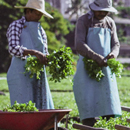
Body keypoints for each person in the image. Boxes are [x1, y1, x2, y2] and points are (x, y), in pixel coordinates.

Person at [73, 0, 122, 127]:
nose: (102, 13)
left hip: (105, 69)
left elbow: (116, 44)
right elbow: (79, 44)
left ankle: (107, 126)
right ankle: (88, 126)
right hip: (86, 69)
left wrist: (113, 54)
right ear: (93, 8)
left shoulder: (109, 22)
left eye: (105, 11)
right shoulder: (84, 21)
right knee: (89, 103)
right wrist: (95, 57)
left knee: (108, 103)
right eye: (100, 10)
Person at [6, 0, 54, 109]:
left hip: (38, 75)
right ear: (28, 11)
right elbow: (12, 48)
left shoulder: (41, 30)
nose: (40, 17)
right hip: (19, 74)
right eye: (37, 14)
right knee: (23, 107)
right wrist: (34, 53)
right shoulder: (16, 25)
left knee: (40, 105)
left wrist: (48, 59)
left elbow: (45, 51)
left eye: (41, 14)